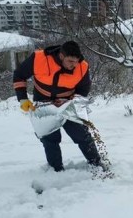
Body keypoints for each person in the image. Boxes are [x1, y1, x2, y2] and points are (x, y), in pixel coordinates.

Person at [13, 41, 101, 172]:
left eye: (76, 61)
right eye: (70, 61)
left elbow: (83, 89)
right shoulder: (39, 58)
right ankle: (56, 169)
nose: (74, 65)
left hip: (67, 102)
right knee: (50, 138)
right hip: (43, 101)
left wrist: (71, 101)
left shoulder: (82, 66)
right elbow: (19, 75)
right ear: (61, 56)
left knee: (81, 134)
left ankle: (96, 163)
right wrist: (23, 99)